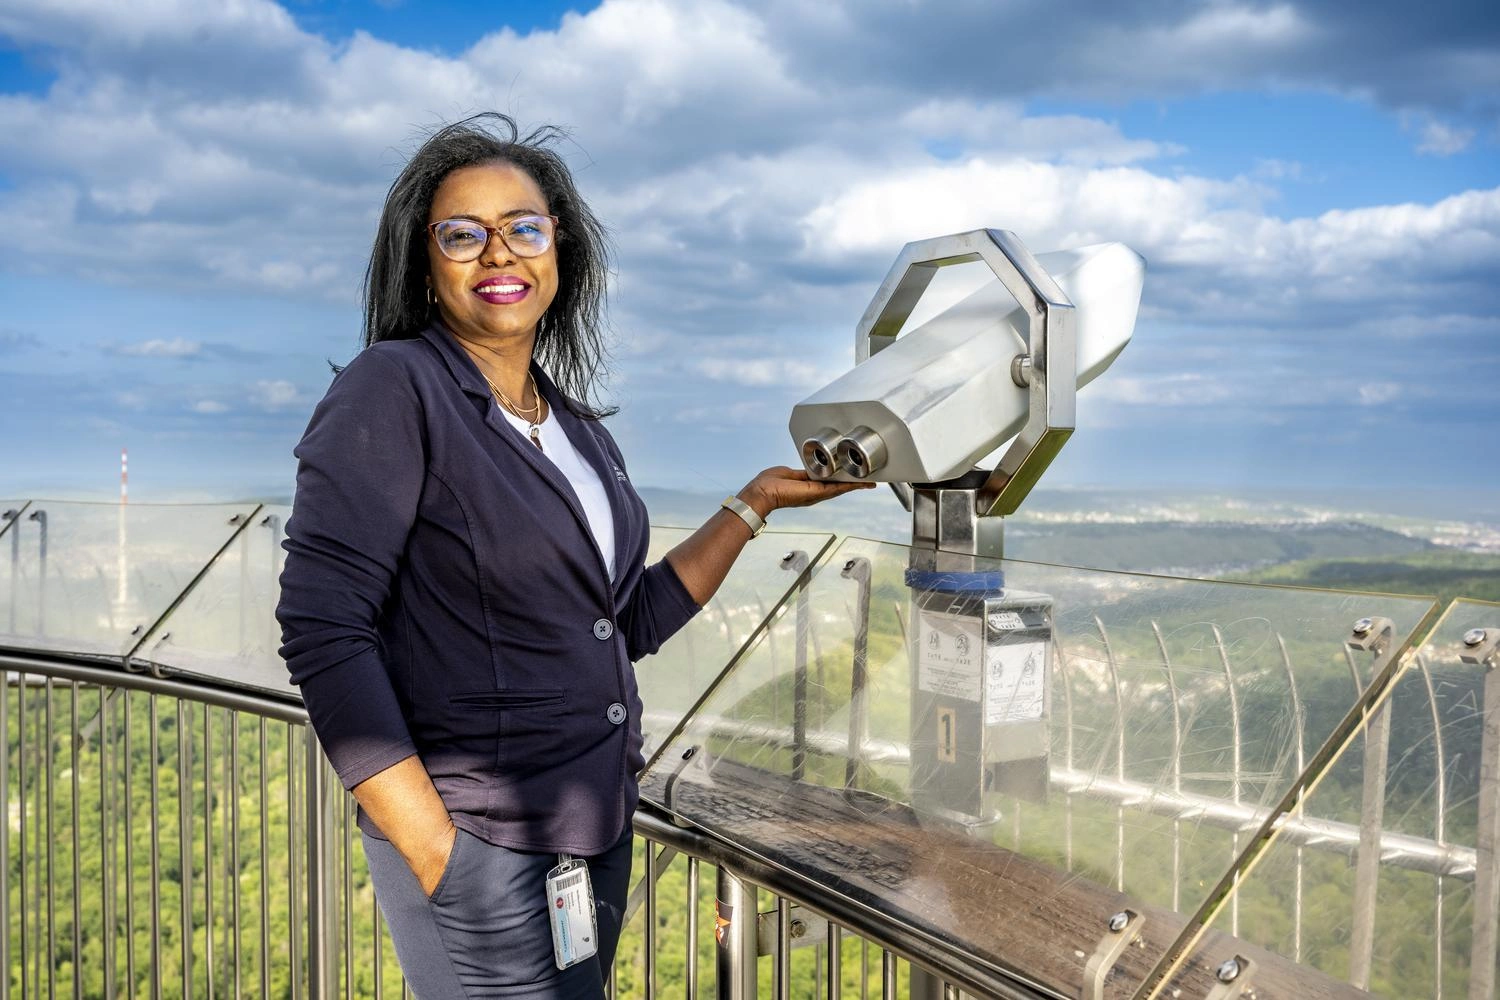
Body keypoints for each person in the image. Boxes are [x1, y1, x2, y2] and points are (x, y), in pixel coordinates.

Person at [275, 113, 869, 999]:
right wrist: (441, 854)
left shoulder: (577, 430)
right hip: (480, 843)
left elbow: (621, 622)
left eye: (524, 227)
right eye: (462, 235)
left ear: (561, 249)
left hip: (589, 835)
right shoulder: (393, 388)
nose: (498, 255)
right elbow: (325, 628)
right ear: (423, 262)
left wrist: (757, 502)